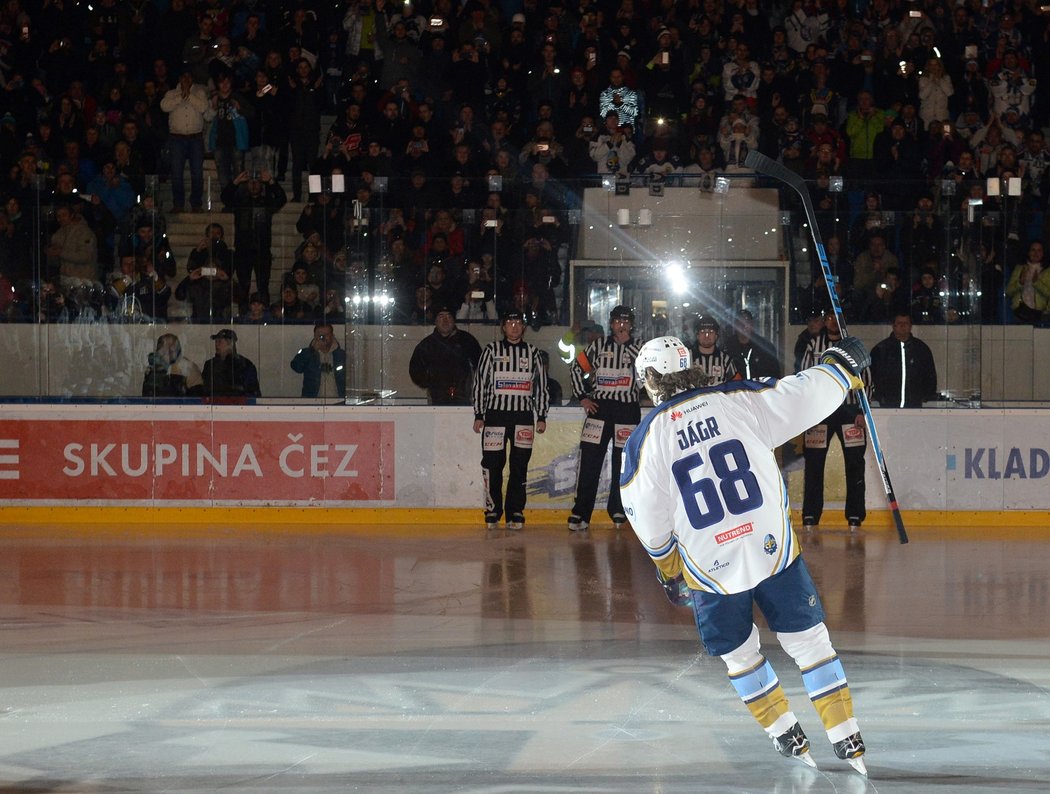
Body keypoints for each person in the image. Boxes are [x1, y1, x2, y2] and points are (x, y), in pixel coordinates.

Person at [620, 333, 869, 775]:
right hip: (769, 546)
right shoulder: (738, 398)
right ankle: (845, 733)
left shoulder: (644, 440)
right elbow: (803, 395)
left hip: (709, 564)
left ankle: (784, 730)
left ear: (650, 381)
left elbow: (649, 520)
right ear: (690, 366)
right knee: (809, 642)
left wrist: (667, 565)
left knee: (740, 654)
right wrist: (840, 369)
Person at [471, 311, 549, 531]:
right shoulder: (491, 351)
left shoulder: (533, 353)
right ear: (503, 327)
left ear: (523, 327)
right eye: (510, 323)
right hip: (495, 416)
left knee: (519, 466)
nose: (514, 327)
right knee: (492, 465)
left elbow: (541, 387)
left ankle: (516, 510)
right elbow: (480, 383)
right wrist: (479, 414)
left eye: (518, 323)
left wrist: (541, 416)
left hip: (523, 418)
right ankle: (493, 510)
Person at [566, 305, 642, 532]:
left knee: (623, 463)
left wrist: (627, 345)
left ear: (632, 325)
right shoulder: (598, 345)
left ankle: (619, 509)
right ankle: (581, 512)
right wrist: (583, 398)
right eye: (618, 321)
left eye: (626, 322)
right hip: (600, 409)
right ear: (611, 324)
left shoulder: (639, 347)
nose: (622, 325)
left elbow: (650, 372)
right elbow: (576, 368)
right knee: (590, 461)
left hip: (627, 409)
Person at [799, 311, 872, 532]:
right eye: (828, 318)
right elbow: (803, 376)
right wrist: (807, 411)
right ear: (824, 321)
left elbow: (866, 380)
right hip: (820, 411)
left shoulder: (854, 347)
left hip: (849, 410)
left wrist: (862, 410)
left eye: (837, 318)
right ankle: (810, 515)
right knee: (813, 463)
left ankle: (855, 516)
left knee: (855, 464)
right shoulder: (814, 344)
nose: (833, 322)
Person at [220, 168, 287, 309]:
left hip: (262, 250)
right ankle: (243, 312)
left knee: (263, 285)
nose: (254, 185)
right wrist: (236, 182)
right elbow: (225, 198)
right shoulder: (240, 201)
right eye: (251, 182)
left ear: (261, 185)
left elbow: (281, 199)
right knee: (243, 285)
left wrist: (271, 182)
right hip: (243, 250)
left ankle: (264, 312)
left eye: (257, 182)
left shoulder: (267, 202)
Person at [408, 307, 482, 406]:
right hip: (436, 398)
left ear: (454, 320)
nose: (445, 320)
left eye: (449, 316)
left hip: (464, 397)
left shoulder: (467, 340)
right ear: (435, 321)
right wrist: (429, 382)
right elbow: (415, 369)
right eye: (441, 316)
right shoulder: (427, 344)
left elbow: (481, 366)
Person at [160, 70, 209, 213]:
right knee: (176, 173)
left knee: (197, 173)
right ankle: (178, 204)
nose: (186, 79)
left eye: (189, 76)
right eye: (183, 76)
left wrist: (189, 95)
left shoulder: (199, 93)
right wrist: (182, 96)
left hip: (195, 138)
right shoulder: (171, 94)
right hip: (177, 139)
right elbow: (164, 106)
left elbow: (203, 107)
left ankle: (196, 203)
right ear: (180, 78)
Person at [870, 313, 938, 408]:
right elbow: (872, 376)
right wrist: (879, 396)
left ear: (911, 326)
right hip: (887, 406)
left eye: (906, 323)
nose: (902, 326)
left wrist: (926, 396)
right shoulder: (881, 350)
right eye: (899, 323)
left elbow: (930, 375)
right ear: (893, 326)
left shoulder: (921, 349)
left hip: (915, 406)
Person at [290, 322, 347, 399]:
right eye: (320, 336)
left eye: (326, 335)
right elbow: (296, 367)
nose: (323, 338)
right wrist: (311, 351)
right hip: (312, 402)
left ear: (332, 336)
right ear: (314, 336)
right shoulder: (306, 353)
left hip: (338, 401)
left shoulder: (342, 355)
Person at [723, 309, 782, 380]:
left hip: (760, 389)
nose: (744, 325)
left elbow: (774, 377)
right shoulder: (726, 348)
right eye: (740, 322)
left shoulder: (765, 347)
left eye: (747, 321)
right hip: (736, 390)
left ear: (752, 324)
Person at [201, 328, 261, 397]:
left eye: (219, 341)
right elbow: (203, 390)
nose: (216, 344)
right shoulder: (209, 365)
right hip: (214, 405)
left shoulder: (245, 365)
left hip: (239, 406)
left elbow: (253, 393)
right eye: (216, 341)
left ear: (230, 343)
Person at [142, 333, 204, 398]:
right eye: (164, 347)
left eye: (172, 347)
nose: (169, 351)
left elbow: (197, 399)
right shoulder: (152, 370)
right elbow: (147, 397)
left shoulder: (189, 368)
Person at [1005, 240, 1050, 324]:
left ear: (1043, 253)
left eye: (1039, 250)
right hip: (1020, 313)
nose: (1036, 253)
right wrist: (1020, 283)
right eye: (1033, 250)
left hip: (1040, 314)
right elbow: (1008, 291)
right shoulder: (1019, 268)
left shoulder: (1048, 271)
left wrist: (1037, 283)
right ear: (1028, 252)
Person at [689, 315, 739, 383]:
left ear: (716, 335)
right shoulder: (686, 358)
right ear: (697, 335)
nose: (707, 335)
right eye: (703, 331)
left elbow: (737, 386)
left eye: (711, 331)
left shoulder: (726, 361)